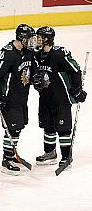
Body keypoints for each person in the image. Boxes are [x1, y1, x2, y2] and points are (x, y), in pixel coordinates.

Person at [33, 26, 87, 167]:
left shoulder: (59, 54)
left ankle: (65, 156)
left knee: (63, 129)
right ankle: (50, 153)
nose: (37, 40)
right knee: (48, 126)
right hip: (45, 98)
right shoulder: (37, 55)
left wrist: (77, 89)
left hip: (61, 99)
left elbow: (75, 70)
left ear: (47, 39)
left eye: (39, 37)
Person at [0, 24, 37, 176]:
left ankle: (12, 153)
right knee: (12, 129)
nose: (32, 42)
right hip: (9, 99)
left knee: (18, 128)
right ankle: (7, 159)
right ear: (22, 39)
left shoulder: (28, 53)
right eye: (29, 39)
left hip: (22, 97)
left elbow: (31, 71)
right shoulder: (8, 53)